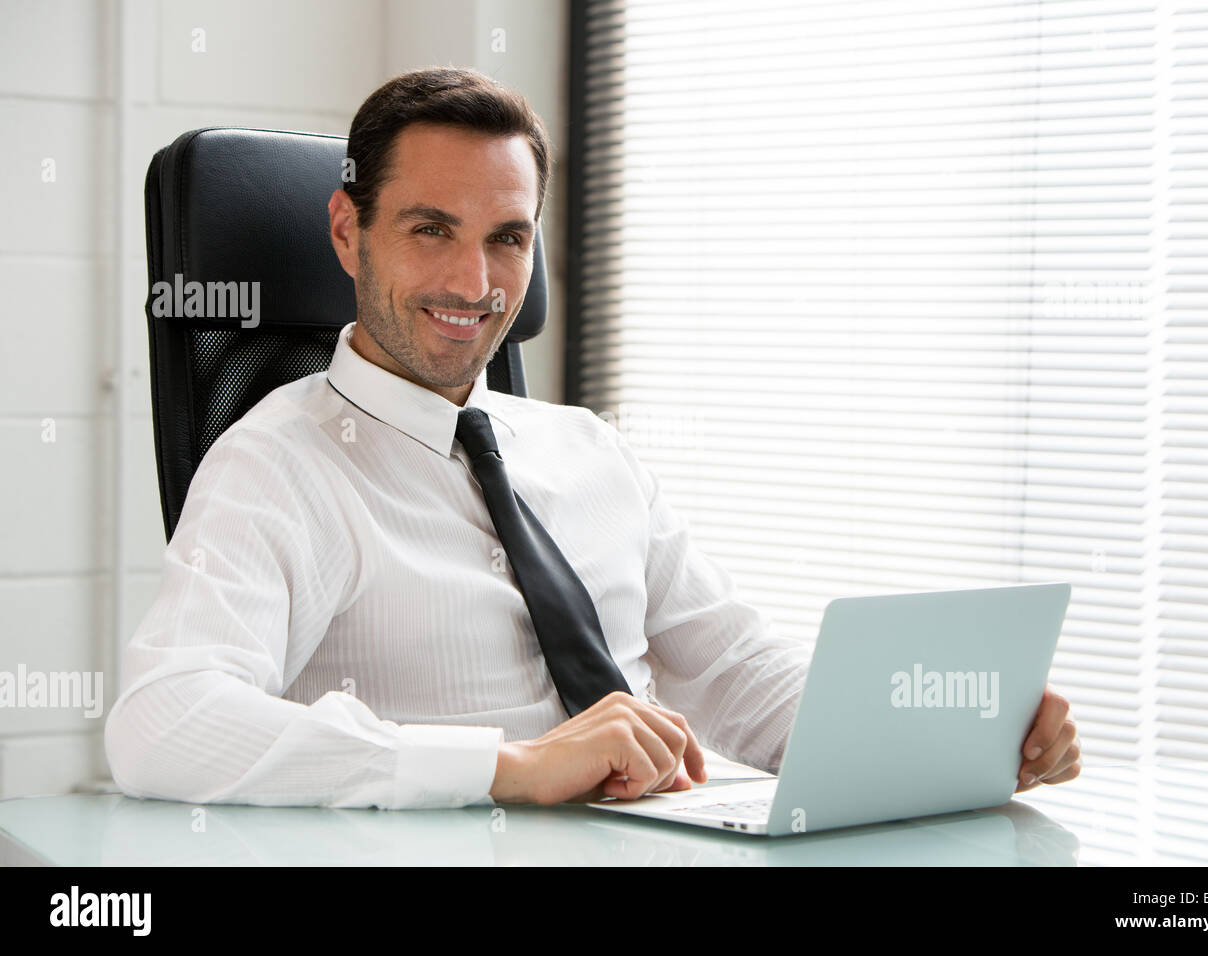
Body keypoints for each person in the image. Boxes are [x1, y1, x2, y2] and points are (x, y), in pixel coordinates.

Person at [105, 67, 1081, 810]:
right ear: (348, 232)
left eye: (507, 236)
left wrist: (957, 726)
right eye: (430, 229)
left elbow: (736, 673)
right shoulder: (278, 463)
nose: (473, 280)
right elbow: (162, 722)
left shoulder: (590, 451)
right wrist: (505, 765)